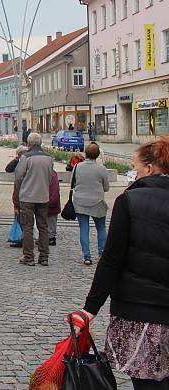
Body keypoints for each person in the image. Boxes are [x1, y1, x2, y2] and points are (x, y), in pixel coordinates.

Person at [73, 137, 169, 389]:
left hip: (140, 312)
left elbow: (112, 260)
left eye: (136, 167)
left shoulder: (130, 201)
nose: (134, 172)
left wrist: (89, 309)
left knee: (147, 384)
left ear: (149, 169)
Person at [15, 132, 54, 266]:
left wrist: (21, 191)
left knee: (28, 227)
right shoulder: (49, 158)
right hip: (43, 196)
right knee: (43, 227)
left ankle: (28, 256)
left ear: (29, 143)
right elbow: (50, 178)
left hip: (27, 196)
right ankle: (44, 257)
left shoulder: (25, 157)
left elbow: (19, 176)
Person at [72, 142, 110, 265]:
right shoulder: (102, 169)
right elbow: (106, 187)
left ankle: (87, 256)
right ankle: (102, 252)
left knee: (84, 229)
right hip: (97, 202)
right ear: (98, 155)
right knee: (101, 228)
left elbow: (73, 184)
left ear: (85, 153)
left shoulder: (77, 167)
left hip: (80, 202)